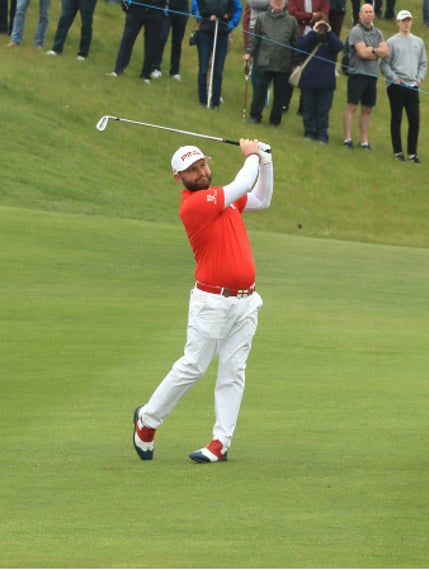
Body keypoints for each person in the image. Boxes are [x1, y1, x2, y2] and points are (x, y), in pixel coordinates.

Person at [131, 138, 274, 464]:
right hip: (212, 302)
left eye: (202, 165)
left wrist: (266, 162)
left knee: (233, 372)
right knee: (193, 366)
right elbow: (241, 183)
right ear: (178, 178)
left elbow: (263, 199)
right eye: (192, 171)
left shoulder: (224, 200)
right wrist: (251, 155)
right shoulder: (196, 204)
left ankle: (220, 443)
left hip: (246, 302)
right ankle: (148, 421)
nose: (201, 172)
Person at [381, 10, 427, 163]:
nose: (406, 23)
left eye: (408, 20)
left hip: (413, 85)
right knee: (397, 118)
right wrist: (394, 79)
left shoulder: (419, 42)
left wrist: (419, 79)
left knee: (415, 120)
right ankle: (398, 151)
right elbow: (385, 65)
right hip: (396, 85)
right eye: (403, 20)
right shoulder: (391, 42)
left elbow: (423, 64)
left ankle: (412, 153)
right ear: (398, 22)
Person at [243, 0, 299, 126]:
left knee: (280, 95)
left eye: (280, 3)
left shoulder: (291, 21)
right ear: (271, 4)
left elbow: (295, 44)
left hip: (283, 64)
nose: (278, 6)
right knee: (259, 91)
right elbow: (254, 39)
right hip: (264, 61)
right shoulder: (262, 19)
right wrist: (249, 53)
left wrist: (294, 64)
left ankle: (275, 120)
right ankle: (255, 116)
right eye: (276, 3)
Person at [341, 2, 389, 150]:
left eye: (371, 12)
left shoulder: (378, 32)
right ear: (360, 15)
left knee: (367, 109)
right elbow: (361, 53)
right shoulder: (356, 31)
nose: (369, 14)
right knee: (352, 106)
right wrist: (376, 52)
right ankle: (347, 138)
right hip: (357, 73)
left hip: (372, 74)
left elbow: (386, 51)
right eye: (366, 12)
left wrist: (371, 50)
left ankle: (364, 141)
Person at [295, 12, 342, 143]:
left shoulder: (331, 39)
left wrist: (330, 32)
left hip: (326, 81)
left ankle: (322, 134)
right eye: (318, 23)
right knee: (309, 108)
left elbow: (339, 46)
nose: (321, 26)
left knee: (323, 110)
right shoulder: (307, 37)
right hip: (309, 78)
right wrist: (314, 33)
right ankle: (309, 131)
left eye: (323, 23)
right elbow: (301, 46)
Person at [193, 0, 243, 108]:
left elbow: (231, 11)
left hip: (222, 35)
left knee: (218, 70)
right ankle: (203, 100)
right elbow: (202, 10)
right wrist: (215, 15)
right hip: (204, 34)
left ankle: (216, 102)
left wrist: (223, 16)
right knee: (203, 69)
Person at [109, 0, 168, 81]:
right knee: (127, 38)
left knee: (151, 43)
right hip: (136, 7)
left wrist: (165, 7)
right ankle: (118, 69)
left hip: (156, 9)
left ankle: (146, 74)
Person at [151, 0, 191, 80]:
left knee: (177, 42)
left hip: (182, 10)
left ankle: (175, 72)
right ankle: (156, 67)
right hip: (168, 8)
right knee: (162, 38)